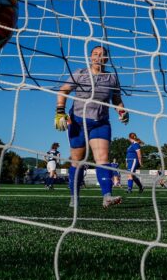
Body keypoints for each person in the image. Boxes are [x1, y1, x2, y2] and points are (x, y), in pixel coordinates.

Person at [54, 46, 127, 208]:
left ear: (106, 59)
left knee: (102, 158)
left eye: (101, 55)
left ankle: (107, 196)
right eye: (95, 54)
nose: (97, 57)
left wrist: (122, 111)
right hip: (78, 123)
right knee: (78, 161)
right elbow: (63, 90)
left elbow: (117, 100)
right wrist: (60, 111)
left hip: (100, 123)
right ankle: (74, 197)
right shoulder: (80, 73)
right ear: (90, 57)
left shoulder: (112, 78)